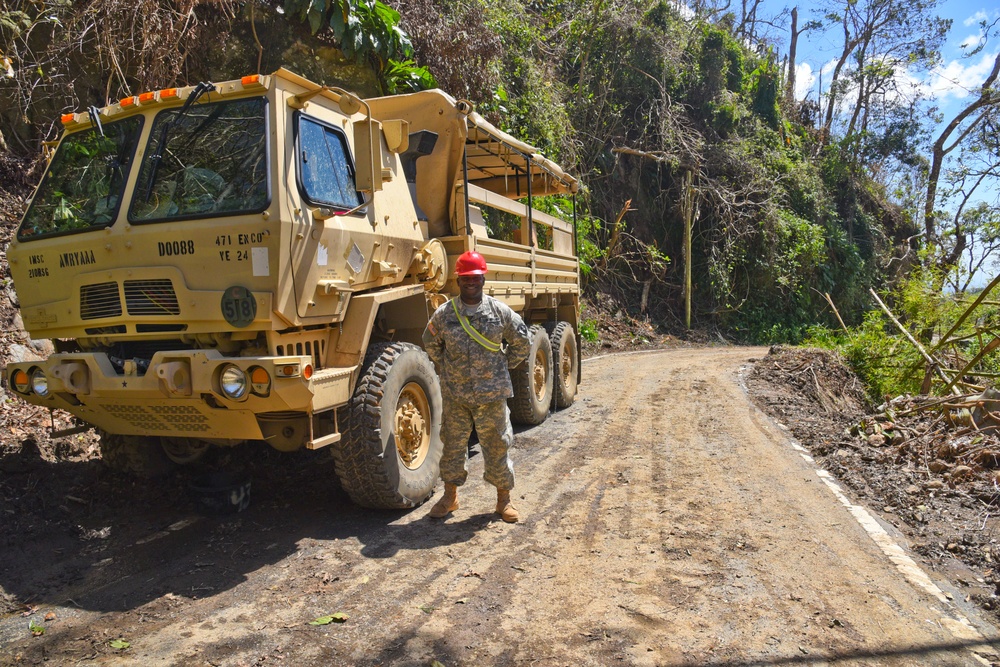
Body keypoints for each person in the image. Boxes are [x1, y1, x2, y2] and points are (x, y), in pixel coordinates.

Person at [422, 251, 531, 522]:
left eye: (475, 277)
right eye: (465, 278)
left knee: (497, 446)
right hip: (456, 396)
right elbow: (430, 343)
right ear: (458, 281)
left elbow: (522, 341)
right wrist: (450, 370)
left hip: (492, 396)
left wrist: (503, 367)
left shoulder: (499, 311)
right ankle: (450, 498)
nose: (471, 282)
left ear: (483, 278)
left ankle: (503, 501)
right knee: (452, 446)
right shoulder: (445, 314)